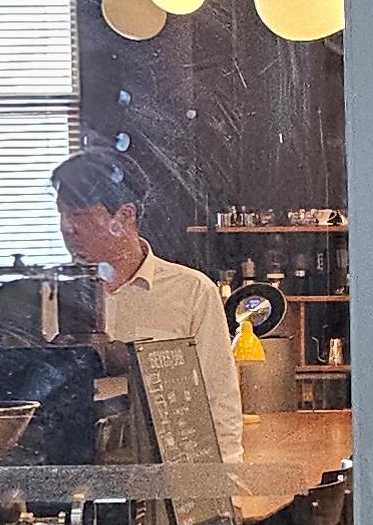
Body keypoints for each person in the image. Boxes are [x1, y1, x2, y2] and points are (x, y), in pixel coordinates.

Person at [50, 147, 244, 452]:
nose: (66, 227)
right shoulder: (46, 295)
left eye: (80, 215)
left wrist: (224, 477)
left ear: (125, 215)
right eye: (61, 213)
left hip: (162, 465)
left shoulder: (191, 291)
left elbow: (219, 400)